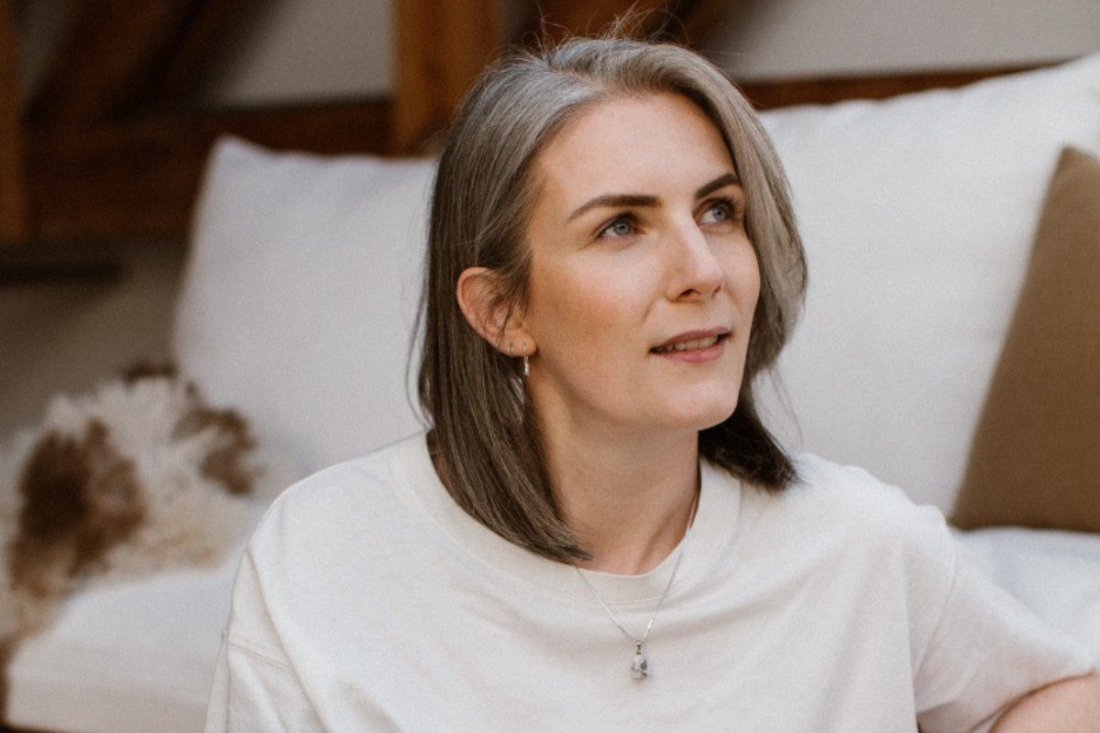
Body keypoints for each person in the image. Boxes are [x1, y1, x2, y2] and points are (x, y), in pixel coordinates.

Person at [203, 36, 1100, 732]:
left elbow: (1067, 691)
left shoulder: (859, 545)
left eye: (719, 210)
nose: (703, 268)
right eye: (622, 226)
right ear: (501, 310)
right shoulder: (322, 557)